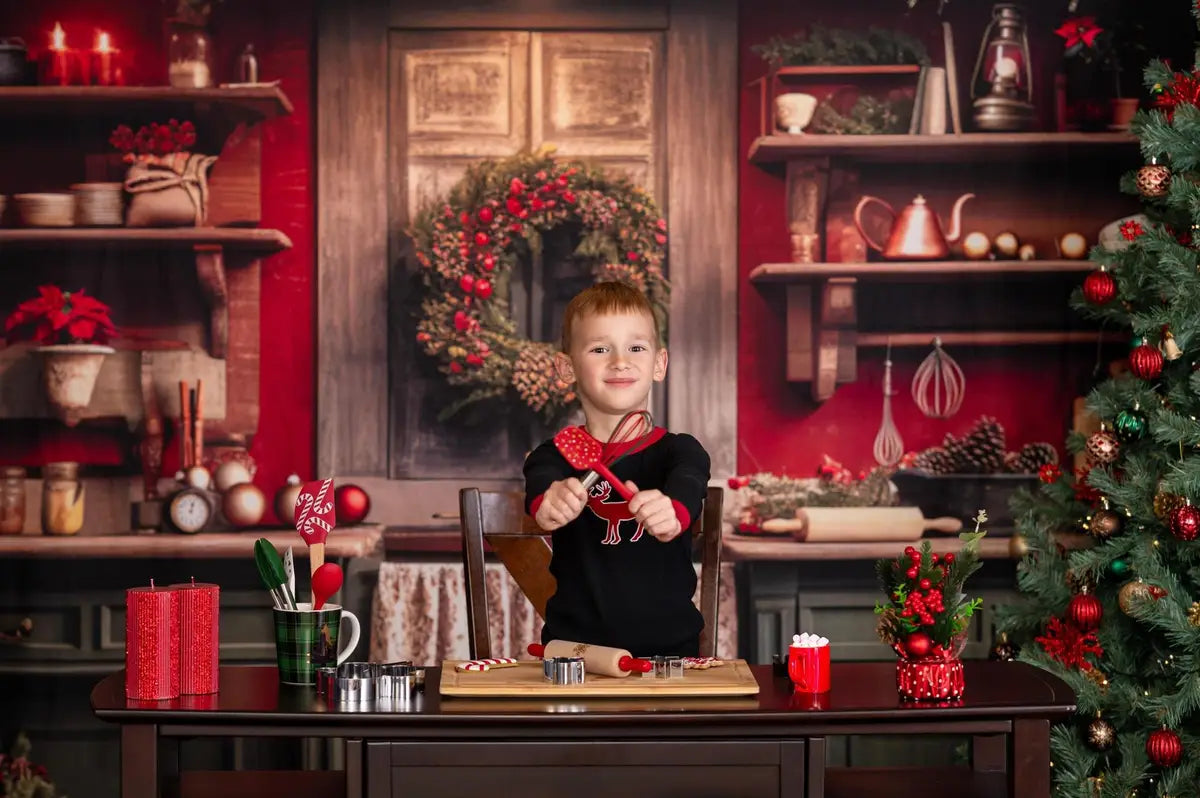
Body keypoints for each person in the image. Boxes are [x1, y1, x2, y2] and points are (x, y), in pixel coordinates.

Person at [523, 281, 711, 657]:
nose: (620, 361)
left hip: (672, 657)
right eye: (599, 349)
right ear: (566, 367)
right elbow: (542, 488)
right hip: (575, 656)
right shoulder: (554, 454)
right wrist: (551, 502)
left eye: (636, 348)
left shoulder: (679, 450)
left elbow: (689, 480)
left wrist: (673, 511)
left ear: (659, 364)